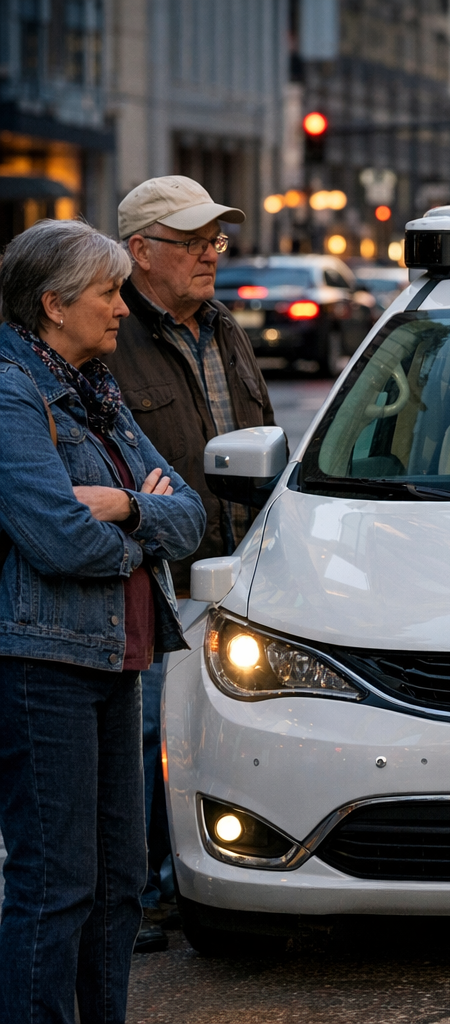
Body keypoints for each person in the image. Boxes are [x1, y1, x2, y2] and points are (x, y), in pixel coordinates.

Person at [0, 218, 206, 1024]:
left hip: (121, 661)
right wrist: (139, 534)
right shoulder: (14, 392)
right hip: (41, 665)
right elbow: (53, 536)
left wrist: (123, 506)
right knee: (56, 886)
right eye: (107, 292)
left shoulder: (98, 392)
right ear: (53, 305)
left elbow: (186, 511)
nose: (122, 308)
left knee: (122, 883)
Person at [103, 175, 279, 951]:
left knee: (219, 732)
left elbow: (260, 431)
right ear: (141, 253)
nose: (213, 253)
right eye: (194, 242)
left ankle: (199, 871)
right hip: (153, 572)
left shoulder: (222, 327)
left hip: (238, 569)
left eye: (216, 239)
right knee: (147, 735)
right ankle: (140, 892)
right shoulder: (108, 334)